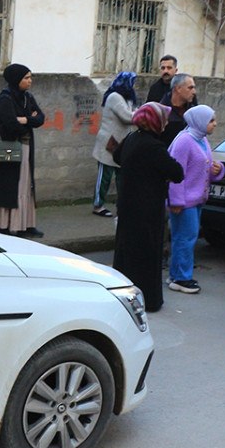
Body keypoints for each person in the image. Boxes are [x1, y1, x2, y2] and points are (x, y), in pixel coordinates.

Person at [111, 102, 184, 312]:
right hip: (147, 208)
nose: (167, 123)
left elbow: (117, 157)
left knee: (126, 251)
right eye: (164, 118)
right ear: (156, 121)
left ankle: (122, 296)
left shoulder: (132, 138)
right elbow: (177, 173)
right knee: (146, 253)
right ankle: (148, 300)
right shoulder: (154, 147)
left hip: (127, 204)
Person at [0, 63, 46, 237]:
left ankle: (26, 223)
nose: (30, 81)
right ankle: (6, 225)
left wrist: (25, 120)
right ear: (17, 79)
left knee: (25, 185)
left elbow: (41, 119)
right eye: (26, 78)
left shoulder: (27, 97)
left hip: (26, 147)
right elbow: (11, 125)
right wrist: (28, 120)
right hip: (9, 147)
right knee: (8, 187)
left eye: (30, 77)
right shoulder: (5, 99)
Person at [165, 105, 225, 295]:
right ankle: (182, 277)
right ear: (199, 121)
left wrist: (217, 170)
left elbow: (204, 167)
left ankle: (176, 275)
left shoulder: (202, 139)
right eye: (211, 120)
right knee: (186, 237)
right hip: (184, 201)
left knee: (184, 237)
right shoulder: (184, 141)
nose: (215, 124)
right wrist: (175, 201)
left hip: (196, 198)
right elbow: (175, 172)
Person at [92, 71, 137, 217]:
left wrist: (138, 113)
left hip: (121, 143)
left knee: (121, 176)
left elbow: (132, 113)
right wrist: (143, 114)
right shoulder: (114, 97)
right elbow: (127, 117)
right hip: (109, 142)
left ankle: (122, 204)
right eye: (132, 82)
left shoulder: (127, 98)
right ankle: (98, 206)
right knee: (104, 176)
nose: (133, 85)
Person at [161, 73, 196, 148]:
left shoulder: (193, 112)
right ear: (178, 88)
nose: (194, 92)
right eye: (190, 88)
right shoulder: (161, 112)